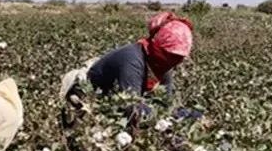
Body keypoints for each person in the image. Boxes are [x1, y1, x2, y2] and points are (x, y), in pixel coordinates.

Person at [60, 12, 194, 105]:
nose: (174, 61)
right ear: (157, 45)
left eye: (178, 57)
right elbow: (131, 106)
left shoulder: (162, 63)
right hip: (90, 100)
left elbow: (166, 103)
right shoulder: (132, 60)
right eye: (170, 55)